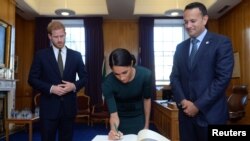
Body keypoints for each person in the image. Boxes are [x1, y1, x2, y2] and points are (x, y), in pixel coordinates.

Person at [170, 2, 234, 141]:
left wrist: (197, 105)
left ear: (205, 19)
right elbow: (174, 77)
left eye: (193, 21)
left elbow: (222, 79)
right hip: (186, 117)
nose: (188, 26)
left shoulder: (221, 43)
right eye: (185, 22)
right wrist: (182, 101)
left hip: (211, 116)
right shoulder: (180, 48)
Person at [28, 21, 87, 141]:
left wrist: (73, 86)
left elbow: (85, 78)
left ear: (65, 34)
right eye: (56, 37)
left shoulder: (76, 55)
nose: (59, 40)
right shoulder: (41, 55)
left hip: (69, 108)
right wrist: (51, 88)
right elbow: (32, 79)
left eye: (62, 36)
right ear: (50, 36)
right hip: (49, 108)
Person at [102, 48, 153, 140]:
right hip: (120, 119)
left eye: (125, 72)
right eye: (116, 74)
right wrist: (114, 131)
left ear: (132, 64)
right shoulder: (107, 83)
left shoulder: (146, 75)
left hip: (139, 117)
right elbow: (113, 115)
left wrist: (146, 126)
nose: (121, 78)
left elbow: (147, 99)